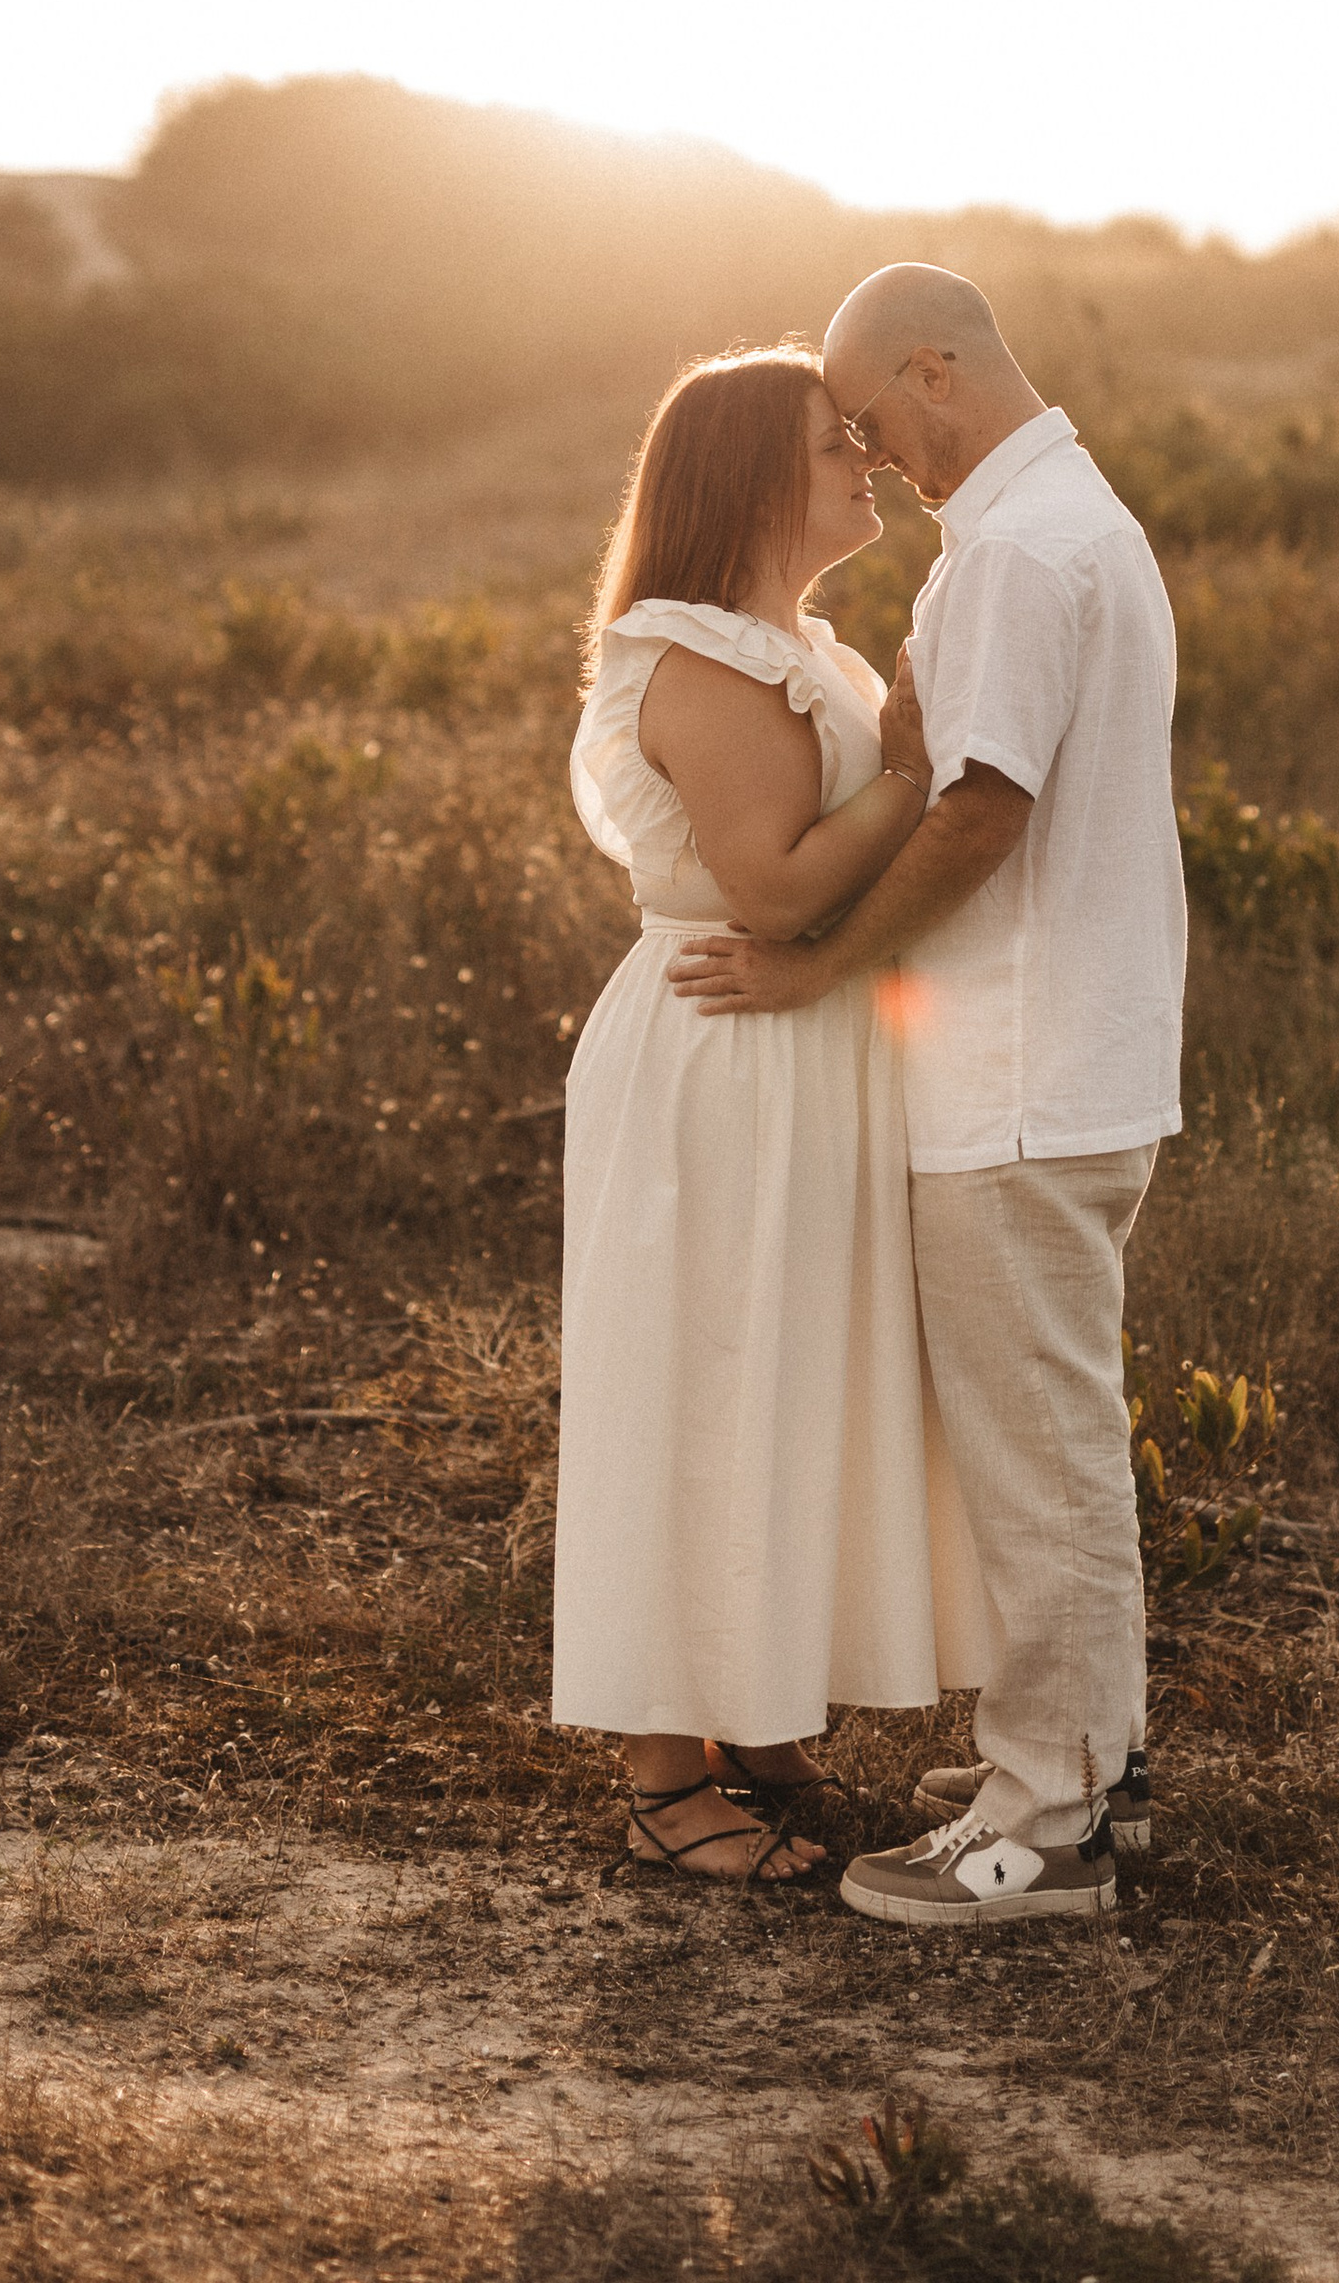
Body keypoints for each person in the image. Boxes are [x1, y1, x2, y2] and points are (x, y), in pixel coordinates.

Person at [671, 265, 1184, 1927]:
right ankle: (1082, 1759)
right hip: (1061, 1065)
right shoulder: (1055, 523)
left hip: (1023, 1079)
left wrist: (823, 969)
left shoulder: (1025, 551)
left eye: (877, 422)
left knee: (1042, 1459)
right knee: (1047, 1440)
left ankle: (1048, 1830)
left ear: (938, 369)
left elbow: (980, 815)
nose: (874, 463)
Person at [553, 345, 991, 1882]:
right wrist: (924, 772)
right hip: (720, 1044)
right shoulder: (700, 657)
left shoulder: (801, 646)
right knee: (700, 1362)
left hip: (804, 1041)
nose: (863, 460)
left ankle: (750, 1705)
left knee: (786, 1363)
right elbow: (782, 883)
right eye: (830, 444)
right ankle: (664, 1771)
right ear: (744, 479)